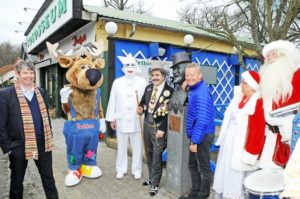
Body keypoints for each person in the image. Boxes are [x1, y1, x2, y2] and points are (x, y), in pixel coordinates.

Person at [0, 60, 59, 198]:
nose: (29, 76)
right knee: (16, 182)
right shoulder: (6, 94)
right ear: (18, 74)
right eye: (25, 72)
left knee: (49, 179)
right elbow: (1, 124)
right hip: (18, 145)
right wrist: (8, 147)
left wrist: (49, 135)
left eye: (31, 72)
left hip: (42, 143)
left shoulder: (41, 92)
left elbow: (46, 117)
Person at [213, 71, 266, 199]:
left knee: (237, 174)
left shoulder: (257, 103)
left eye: (244, 83)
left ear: (253, 86)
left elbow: (258, 131)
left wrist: (250, 153)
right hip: (229, 141)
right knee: (226, 169)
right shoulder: (238, 98)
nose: (241, 85)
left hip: (242, 144)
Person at [259, 40, 300, 168]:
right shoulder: (268, 81)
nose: (270, 59)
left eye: (274, 54)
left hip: (290, 137)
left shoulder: (297, 75)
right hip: (270, 136)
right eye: (268, 56)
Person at [106, 54, 147, 179]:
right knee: (122, 147)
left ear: (136, 67)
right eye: (127, 65)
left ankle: (137, 169)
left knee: (137, 147)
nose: (130, 68)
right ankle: (121, 169)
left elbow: (146, 99)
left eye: (132, 65)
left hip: (137, 120)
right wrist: (111, 118)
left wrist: (143, 109)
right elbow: (112, 100)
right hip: (121, 119)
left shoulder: (142, 82)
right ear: (123, 68)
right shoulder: (117, 82)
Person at [179, 63, 215, 199]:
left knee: (203, 168)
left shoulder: (201, 93)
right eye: (187, 75)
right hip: (197, 134)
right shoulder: (195, 88)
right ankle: (194, 193)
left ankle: (203, 195)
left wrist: (194, 141)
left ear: (200, 75)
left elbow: (202, 120)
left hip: (202, 135)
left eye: (192, 75)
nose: (189, 77)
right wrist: (187, 85)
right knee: (193, 165)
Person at [138, 62, 173, 196]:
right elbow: (143, 102)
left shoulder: (170, 91)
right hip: (147, 124)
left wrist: (163, 129)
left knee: (157, 156)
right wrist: (140, 107)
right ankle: (152, 177)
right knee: (149, 153)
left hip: (159, 128)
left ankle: (155, 183)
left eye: (157, 75)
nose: (154, 77)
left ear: (163, 76)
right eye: (152, 75)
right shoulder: (148, 88)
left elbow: (170, 112)